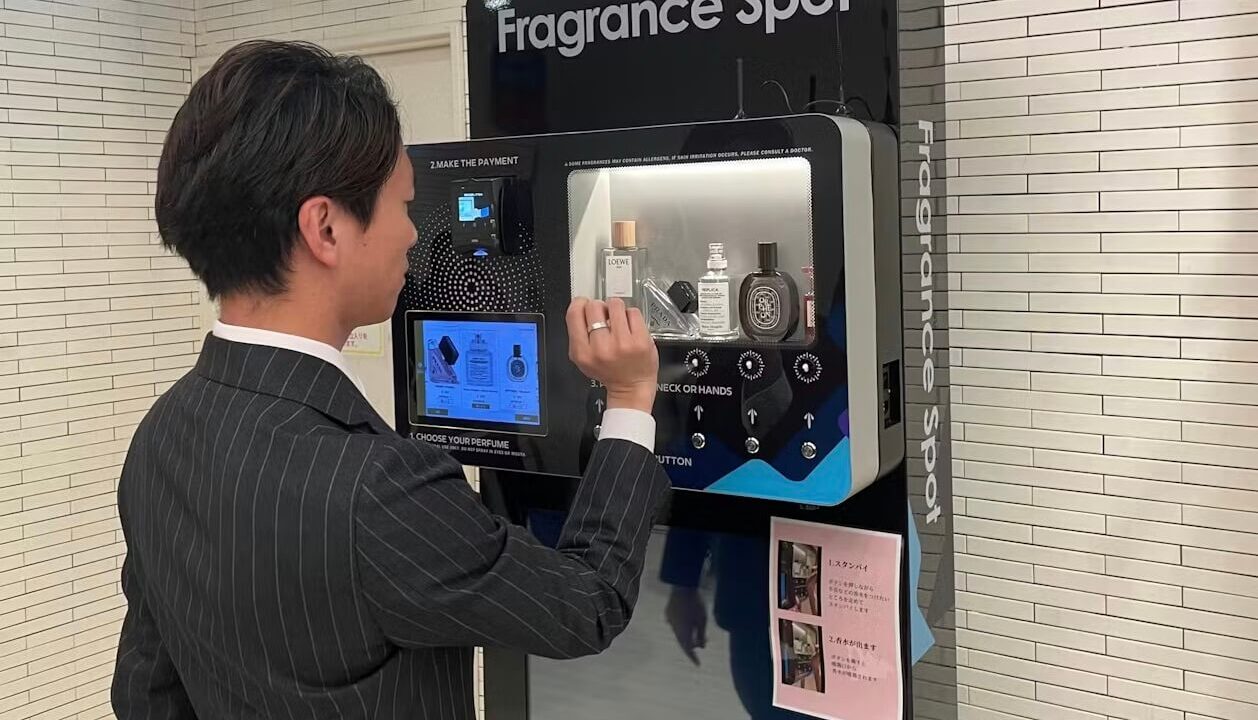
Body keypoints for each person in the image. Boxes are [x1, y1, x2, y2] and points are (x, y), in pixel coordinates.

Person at [111, 40, 669, 719]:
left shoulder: (161, 436)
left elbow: (146, 693)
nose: (412, 235)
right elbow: (586, 603)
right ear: (325, 228)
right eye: (403, 205)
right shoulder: (379, 489)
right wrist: (630, 398)